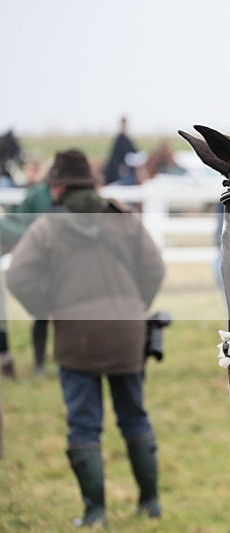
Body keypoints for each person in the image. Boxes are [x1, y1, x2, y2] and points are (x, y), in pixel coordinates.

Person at [6, 149, 166, 527]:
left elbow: (17, 278)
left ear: (58, 186)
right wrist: (133, 304)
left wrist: (47, 307)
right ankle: (151, 504)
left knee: (83, 424)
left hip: (76, 336)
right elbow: (155, 268)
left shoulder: (47, 226)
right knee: (135, 417)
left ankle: (95, 514)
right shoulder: (122, 217)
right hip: (129, 332)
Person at [0, 159, 54, 376]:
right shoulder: (38, 194)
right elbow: (15, 219)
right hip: (42, 263)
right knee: (42, 312)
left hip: (60, 263)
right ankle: (37, 364)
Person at [102, 116, 139, 185]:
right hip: (119, 168)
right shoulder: (119, 139)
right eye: (123, 125)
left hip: (129, 166)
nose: (124, 126)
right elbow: (117, 155)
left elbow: (134, 151)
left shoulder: (128, 139)